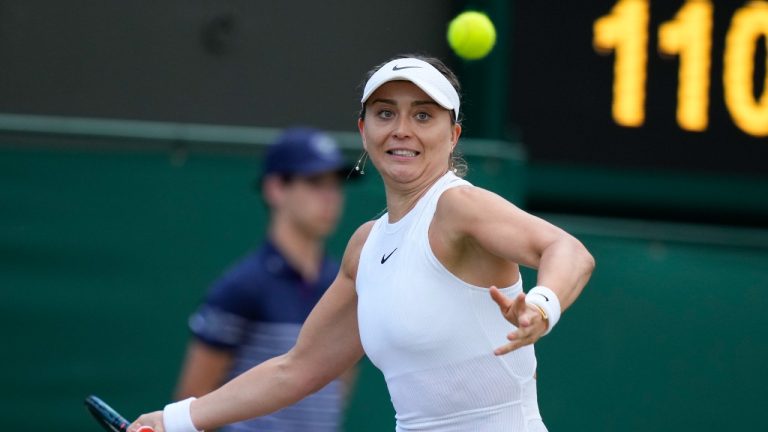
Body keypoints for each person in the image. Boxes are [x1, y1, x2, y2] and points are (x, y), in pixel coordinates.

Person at [130, 54, 595, 432]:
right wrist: (175, 420)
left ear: (453, 135)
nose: (402, 129)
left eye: (423, 115)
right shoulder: (365, 246)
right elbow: (296, 369)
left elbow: (568, 250)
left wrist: (542, 306)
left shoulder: (458, 206)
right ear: (363, 130)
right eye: (385, 113)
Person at [173, 127, 352, 432]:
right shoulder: (240, 288)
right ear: (275, 188)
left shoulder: (346, 285)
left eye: (335, 184)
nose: (330, 197)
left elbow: (337, 390)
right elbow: (192, 399)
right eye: (314, 182)